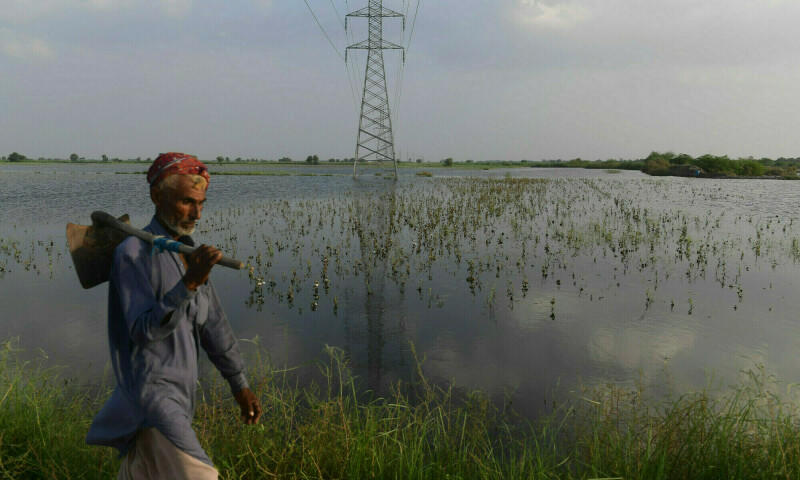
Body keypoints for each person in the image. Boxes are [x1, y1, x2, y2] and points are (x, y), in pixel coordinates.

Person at [86, 152, 261, 479]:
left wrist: (240, 386)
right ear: (157, 196)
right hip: (152, 398)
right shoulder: (132, 255)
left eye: (201, 203)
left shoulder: (189, 255)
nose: (196, 213)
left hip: (182, 397)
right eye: (186, 202)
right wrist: (189, 282)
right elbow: (143, 331)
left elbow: (215, 328)